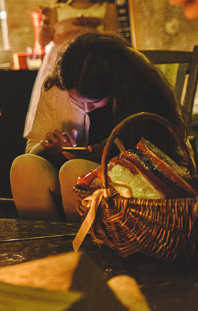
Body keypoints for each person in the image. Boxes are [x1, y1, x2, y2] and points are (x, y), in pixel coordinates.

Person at [10, 32, 187, 221]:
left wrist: (109, 154)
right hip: (68, 176)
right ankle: (50, 247)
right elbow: (32, 147)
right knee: (23, 167)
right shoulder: (57, 88)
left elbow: (168, 157)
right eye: (76, 101)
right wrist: (50, 150)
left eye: (93, 104)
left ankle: (90, 247)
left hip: (131, 183)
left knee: (75, 171)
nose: (86, 108)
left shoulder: (140, 90)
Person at [23, 0, 118, 148]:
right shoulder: (59, 7)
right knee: (57, 113)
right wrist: (47, 22)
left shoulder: (104, 7)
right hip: (60, 65)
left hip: (92, 65)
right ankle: (58, 147)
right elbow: (43, 41)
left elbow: (113, 40)